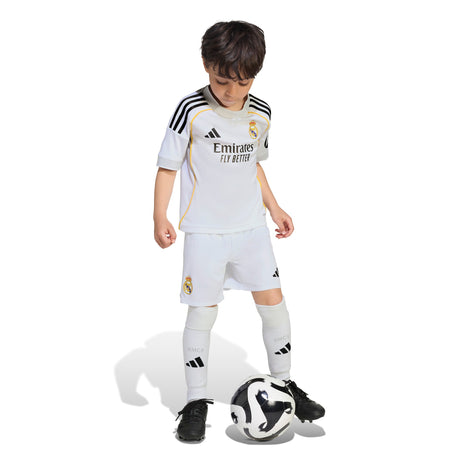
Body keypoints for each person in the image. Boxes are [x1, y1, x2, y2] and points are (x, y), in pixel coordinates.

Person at [153, 20, 325, 442]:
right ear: (206, 65)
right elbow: (168, 167)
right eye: (222, 81)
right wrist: (159, 216)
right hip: (205, 233)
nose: (232, 92)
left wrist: (275, 206)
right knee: (202, 312)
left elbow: (254, 165)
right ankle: (196, 401)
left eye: (243, 82)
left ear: (255, 76)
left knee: (274, 302)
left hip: (251, 230)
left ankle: (284, 382)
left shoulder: (261, 112)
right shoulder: (190, 110)